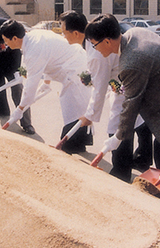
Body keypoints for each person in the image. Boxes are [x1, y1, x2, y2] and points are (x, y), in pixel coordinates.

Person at [84, 14, 160, 205]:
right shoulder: (133, 34)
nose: (95, 49)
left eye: (94, 44)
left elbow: (131, 104)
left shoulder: (131, 62)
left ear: (107, 41)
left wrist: (117, 137)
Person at [59, 10, 151, 177]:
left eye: (64, 32)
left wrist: (90, 115)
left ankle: (121, 171)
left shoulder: (95, 50)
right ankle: (140, 159)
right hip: (122, 80)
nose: (63, 37)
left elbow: (100, 86)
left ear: (76, 33)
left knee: (116, 125)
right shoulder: (91, 43)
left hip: (125, 82)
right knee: (134, 120)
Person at [0, 19, 91, 148]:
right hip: (73, 64)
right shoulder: (33, 37)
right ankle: (78, 143)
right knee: (76, 107)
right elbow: (49, 57)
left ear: (14, 38)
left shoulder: (33, 49)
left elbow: (31, 85)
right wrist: (47, 82)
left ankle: (70, 146)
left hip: (75, 69)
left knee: (72, 107)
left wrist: (20, 109)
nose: (5, 44)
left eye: (5, 40)